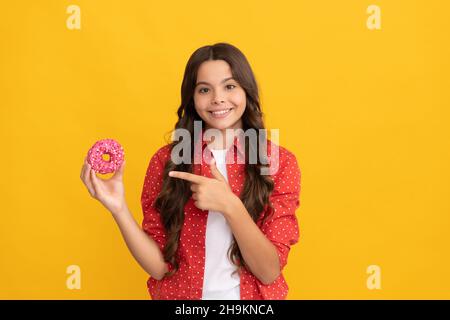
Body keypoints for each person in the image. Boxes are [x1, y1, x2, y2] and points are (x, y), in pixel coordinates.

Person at [80, 42, 301, 300]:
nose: (218, 98)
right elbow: (160, 267)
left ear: (247, 91)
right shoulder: (166, 161)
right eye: (204, 89)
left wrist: (230, 205)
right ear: (192, 98)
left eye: (230, 86)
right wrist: (118, 208)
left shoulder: (279, 162)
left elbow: (269, 271)